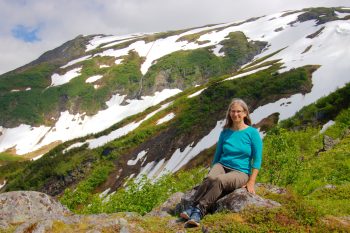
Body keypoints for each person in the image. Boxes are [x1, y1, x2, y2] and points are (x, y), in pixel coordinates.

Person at [180, 98, 263, 227]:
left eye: (238, 111)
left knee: (219, 181)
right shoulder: (225, 132)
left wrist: (251, 181)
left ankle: (199, 211)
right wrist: (212, 171)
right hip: (222, 165)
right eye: (232, 111)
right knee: (211, 178)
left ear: (245, 113)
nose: (235, 114)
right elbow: (217, 155)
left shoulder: (252, 133)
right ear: (229, 113)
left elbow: (257, 159)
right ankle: (192, 206)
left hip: (240, 172)